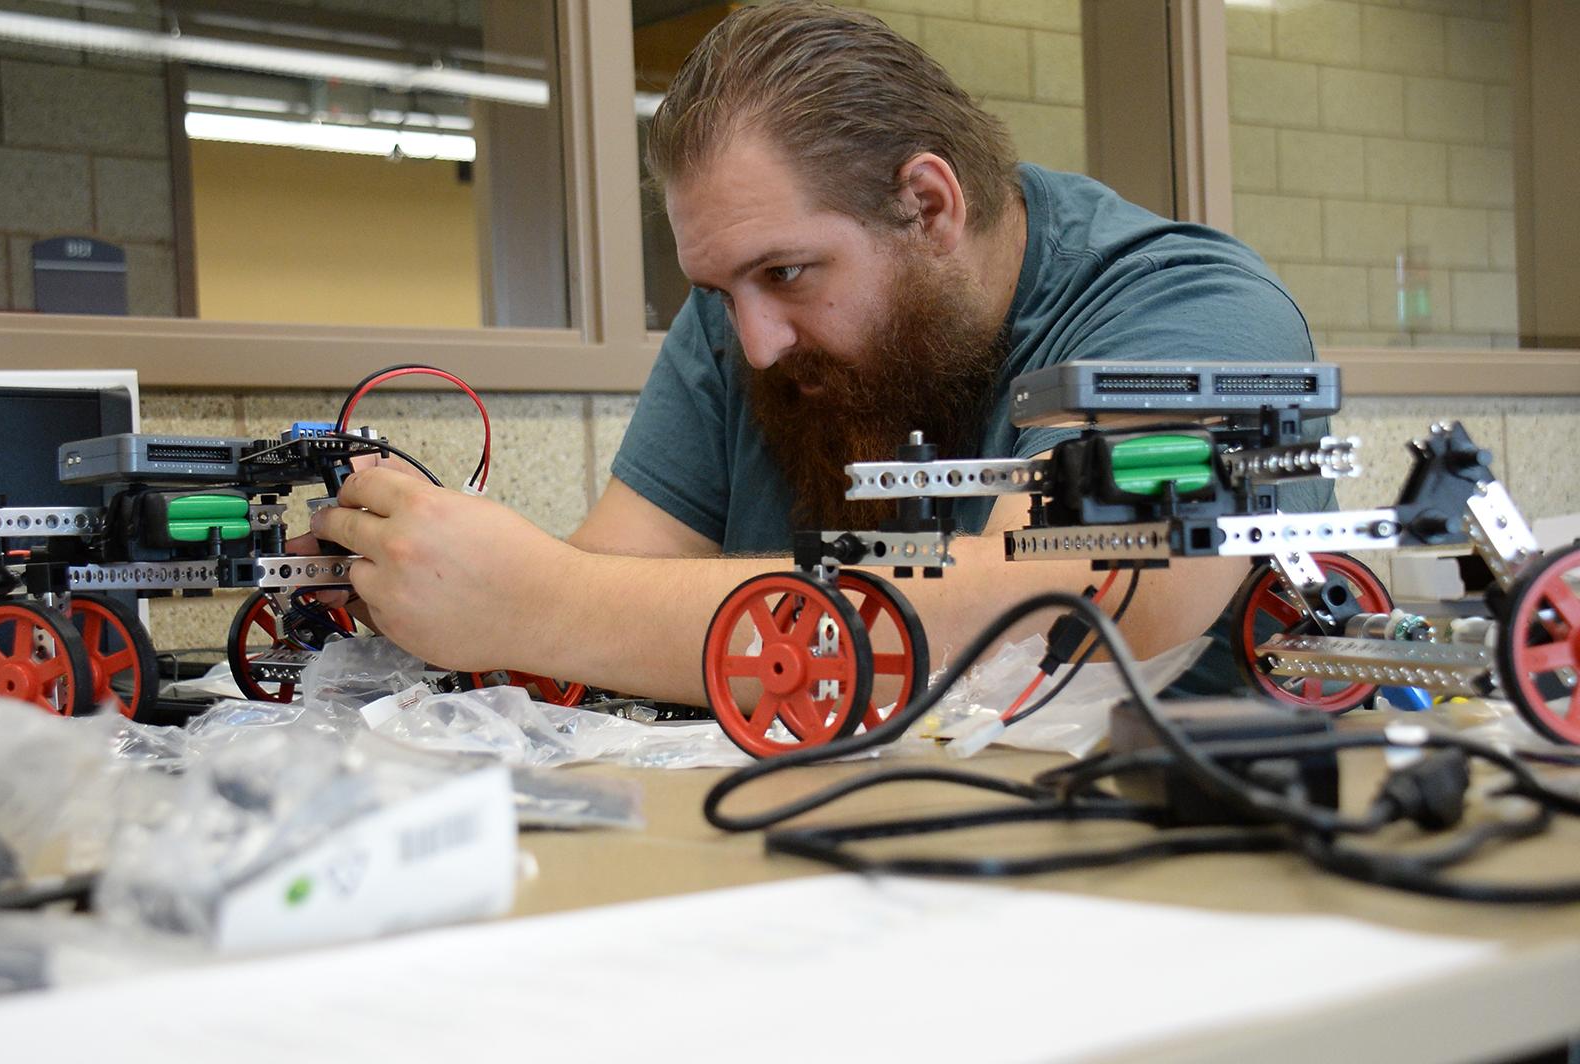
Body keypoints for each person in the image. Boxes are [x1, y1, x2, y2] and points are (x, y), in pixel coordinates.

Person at [309, 2, 1331, 705]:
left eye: (788, 273)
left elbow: (1071, 612)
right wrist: (420, 577)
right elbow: (618, 590)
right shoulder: (745, 325)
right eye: (720, 290)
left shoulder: (1190, 308)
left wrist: (540, 604)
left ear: (928, 206)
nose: (750, 339)